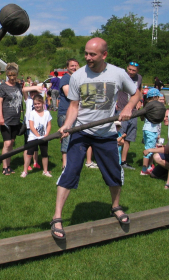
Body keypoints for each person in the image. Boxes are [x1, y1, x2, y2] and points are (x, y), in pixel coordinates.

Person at [50, 37, 140, 240]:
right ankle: (57, 217)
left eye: (92, 54)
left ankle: (115, 206)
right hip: (81, 131)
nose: (87, 58)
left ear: (104, 55)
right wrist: (67, 126)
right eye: (86, 53)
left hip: (106, 132)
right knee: (69, 171)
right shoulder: (78, 76)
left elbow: (136, 94)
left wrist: (127, 107)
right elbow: (73, 106)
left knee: (114, 172)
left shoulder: (118, 73)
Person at [57, 59, 97, 169]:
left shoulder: (78, 78)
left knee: (78, 137)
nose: (74, 67)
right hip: (66, 112)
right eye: (71, 66)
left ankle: (78, 161)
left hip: (78, 112)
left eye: (76, 65)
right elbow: (68, 93)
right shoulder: (66, 78)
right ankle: (65, 164)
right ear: (67, 68)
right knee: (66, 137)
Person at [0, 65, 24, 175]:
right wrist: (0, 117)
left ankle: (9, 166)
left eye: (14, 75)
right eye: (9, 75)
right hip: (6, 119)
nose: (12, 78)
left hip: (16, 119)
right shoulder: (3, 86)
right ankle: (4, 167)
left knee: (12, 142)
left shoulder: (18, 85)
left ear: (17, 74)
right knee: (7, 143)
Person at [116, 61, 142, 170]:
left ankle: (123, 162)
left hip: (133, 112)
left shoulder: (139, 78)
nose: (131, 72)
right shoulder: (122, 76)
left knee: (129, 137)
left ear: (137, 71)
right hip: (122, 109)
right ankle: (115, 161)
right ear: (127, 68)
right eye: (129, 69)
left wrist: (140, 100)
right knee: (118, 137)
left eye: (133, 70)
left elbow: (139, 90)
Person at [21, 94, 52, 178]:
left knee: (44, 154)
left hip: (44, 137)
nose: (37, 105)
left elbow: (49, 125)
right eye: (35, 104)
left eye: (38, 103)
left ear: (42, 103)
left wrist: (46, 135)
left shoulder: (47, 113)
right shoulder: (32, 113)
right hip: (33, 137)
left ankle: (45, 171)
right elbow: (31, 125)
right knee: (29, 154)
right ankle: (25, 171)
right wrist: (38, 136)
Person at [140, 88, 161, 176]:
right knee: (149, 150)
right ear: (155, 97)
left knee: (148, 147)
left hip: (146, 128)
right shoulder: (154, 106)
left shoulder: (146, 105)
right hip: (151, 130)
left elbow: (141, 117)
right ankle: (144, 169)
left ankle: (148, 167)